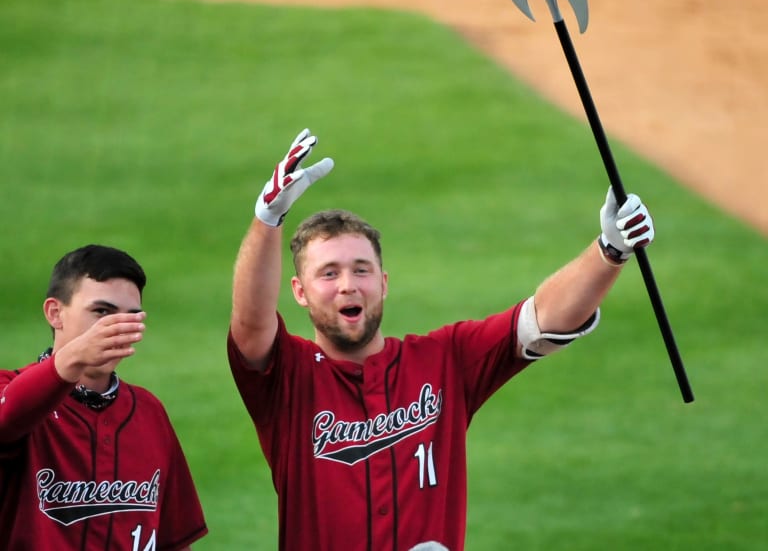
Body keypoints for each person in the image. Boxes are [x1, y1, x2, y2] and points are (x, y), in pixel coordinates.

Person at [228, 129, 654, 551]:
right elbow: (250, 325)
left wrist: (610, 250)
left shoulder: (443, 359)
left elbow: (542, 321)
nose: (348, 286)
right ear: (299, 291)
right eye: (328, 273)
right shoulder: (286, 378)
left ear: (383, 283)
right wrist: (268, 221)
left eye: (361, 269)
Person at [0, 244, 208, 550]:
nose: (117, 327)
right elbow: (10, 416)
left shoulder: (149, 412)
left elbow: (173, 540)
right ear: (55, 313)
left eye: (131, 316)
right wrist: (75, 358)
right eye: (102, 312)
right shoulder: (10, 388)